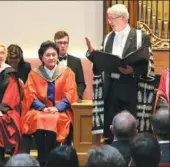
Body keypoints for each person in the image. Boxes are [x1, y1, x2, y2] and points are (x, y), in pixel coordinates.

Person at [85, 4, 155, 140]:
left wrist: (133, 70)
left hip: (131, 89)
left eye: (112, 18)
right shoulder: (108, 38)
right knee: (112, 130)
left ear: (123, 18)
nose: (109, 22)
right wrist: (93, 54)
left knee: (130, 130)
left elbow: (148, 64)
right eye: (108, 18)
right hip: (111, 88)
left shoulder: (140, 37)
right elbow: (101, 63)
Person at [21, 40, 78, 166]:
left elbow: (71, 92)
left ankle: (54, 159)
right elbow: (30, 94)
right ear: (41, 57)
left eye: (54, 54)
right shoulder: (34, 73)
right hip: (40, 111)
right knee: (38, 119)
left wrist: (57, 108)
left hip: (60, 111)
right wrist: (43, 107)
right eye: (48, 55)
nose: (51, 57)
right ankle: (42, 159)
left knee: (56, 119)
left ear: (58, 56)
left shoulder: (67, 72)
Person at [54, 31, 86, 101]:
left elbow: (81, 83)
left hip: (72, 99)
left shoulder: (76, 61)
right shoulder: (49, 61)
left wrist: (77, 95)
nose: (62, 45)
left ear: (68, 43)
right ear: (55, 44)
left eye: (65, 43)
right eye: (59, 43)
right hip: (54, 99)